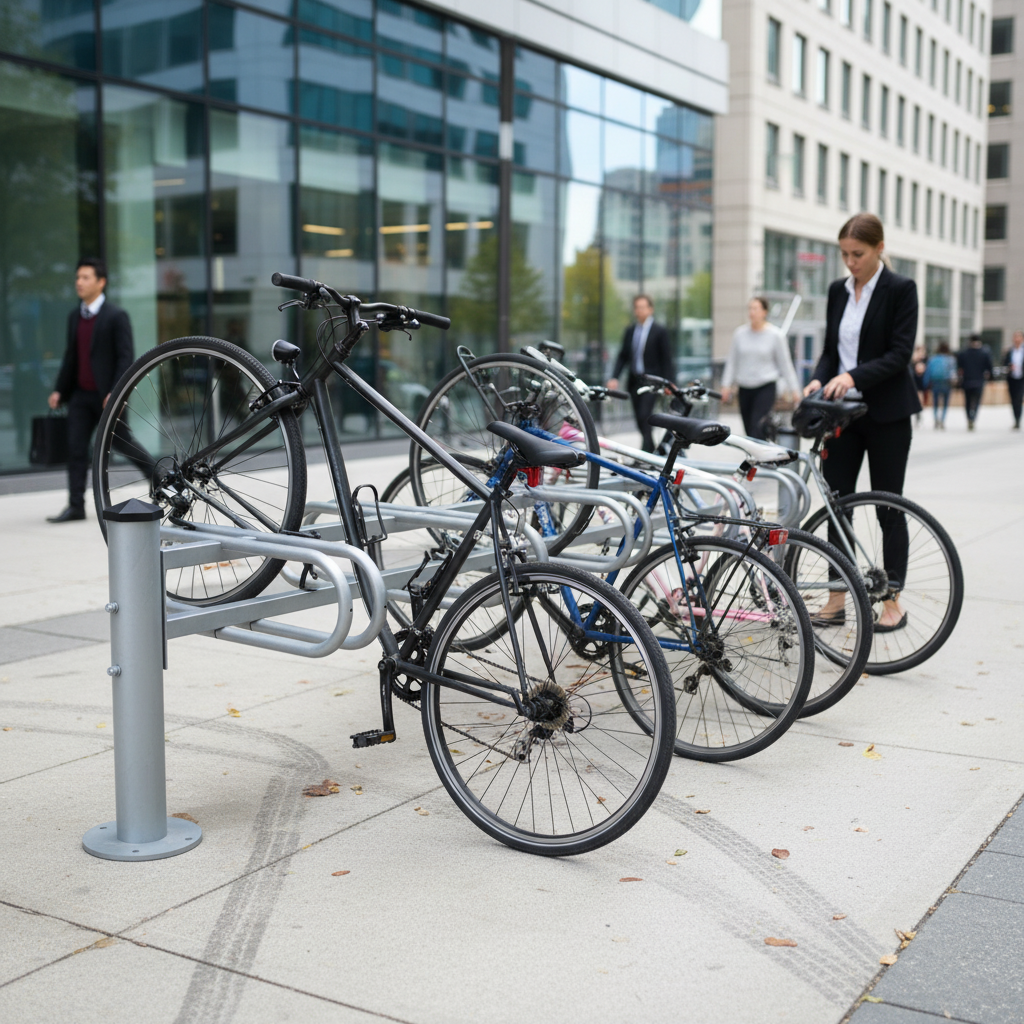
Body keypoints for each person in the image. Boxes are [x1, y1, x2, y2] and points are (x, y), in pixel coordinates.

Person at [800, 213, 920, 633]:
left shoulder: (901, 289)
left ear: (879, 248)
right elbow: (832, 349)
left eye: (858, 254)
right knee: (837, 507)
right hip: (843, 415)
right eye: (844, 255)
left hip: (887, 413)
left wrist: (852, 375)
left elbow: (900, 353)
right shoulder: (838, 291)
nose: (850, 263)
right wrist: (821, 375)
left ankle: (892, 603)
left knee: (889, 507)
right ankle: (836, 600)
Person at [47, 259, 136, 522]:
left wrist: (116, 391)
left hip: (106, 397)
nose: (79, 282)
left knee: (125, 445)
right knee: (75, 450)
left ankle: (163, 479)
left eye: (85, 277)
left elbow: (125, 357)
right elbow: (71, 357)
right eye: (77, 278)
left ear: (101, 282)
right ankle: (75, 506)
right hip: (80, 396)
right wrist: (59, 391)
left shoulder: (116, 316)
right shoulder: (76, 316)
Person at [720, 297, 801, 439]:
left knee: (757, 427)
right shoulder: (740, 334)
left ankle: (758, 459)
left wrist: (794, 390)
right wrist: (725, 385)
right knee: (748, 428)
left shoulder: (776, 335)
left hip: (765, 387)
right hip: (744, 387)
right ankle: (757, 458)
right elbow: (732, 361)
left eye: (755, 309)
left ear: (764, 312)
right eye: (750, 308)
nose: (752, 312)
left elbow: (785, 365)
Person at [607, 294, 674, 452]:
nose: (639, 310)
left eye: (643, 307)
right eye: (637, 307)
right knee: (638, 418)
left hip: (652, 381)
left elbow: (667, 359)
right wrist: (614, 377)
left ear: (650, 309)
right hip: (634, 380)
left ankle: (646, 450)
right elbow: (623, 356)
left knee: (645, 414)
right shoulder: (630, 331)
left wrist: (669, 383)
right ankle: (650, 447)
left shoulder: (659, 331)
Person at [956, 333, 993, 431]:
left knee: (967, 401)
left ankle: (969, 417)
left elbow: (959, 368)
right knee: (976, 401)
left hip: (967, 381)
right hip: (979, 381)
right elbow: (989, 367)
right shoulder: (984, 353)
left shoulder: (963, 353)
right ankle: (973, 417)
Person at [923, 342, 957, 430]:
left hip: (935, 382)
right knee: (945, 403)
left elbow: (928, 372)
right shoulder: (951, 359)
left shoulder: (933, 359)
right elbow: (953, 372)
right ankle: (942, 420)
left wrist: (925, 383)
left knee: (935, 402)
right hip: (947, 382)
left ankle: (936, 419)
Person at [1003, 330, 1024, 430]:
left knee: (1019, 399)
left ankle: (1018, 419)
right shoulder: (1010, 351)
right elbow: (1004, 363)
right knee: (1013, 399)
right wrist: (1009, 366)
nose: (1016, 339)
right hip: (1012, 378)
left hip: (1021, 379)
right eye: (1015, 337)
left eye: (1018, 337)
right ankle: (1016, 419)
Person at [911, 344, 928, 424]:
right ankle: (917, 411)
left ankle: (919, 411)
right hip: (915, 379)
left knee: (920, 396)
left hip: (921, 380)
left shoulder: (925, 359)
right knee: (916, 395)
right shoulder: (914, 359)